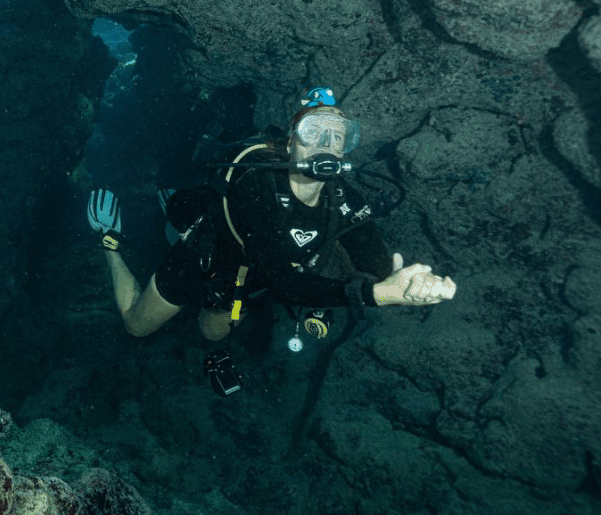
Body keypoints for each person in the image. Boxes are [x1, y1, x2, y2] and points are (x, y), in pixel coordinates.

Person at [87, 88, 457, 348]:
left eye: (338, 135)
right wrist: (376, 294)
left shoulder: (345, 199)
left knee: (214, 334)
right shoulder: (259, 187)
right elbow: (286, 284)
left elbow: (374, 260)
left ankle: (176, 216)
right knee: (137, 326)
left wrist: (405, 282)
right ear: (292, 142)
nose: (326, 142)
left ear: (347, 147)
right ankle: (110, 241)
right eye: (314, 131)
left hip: (251, 278)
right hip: (205, 257)